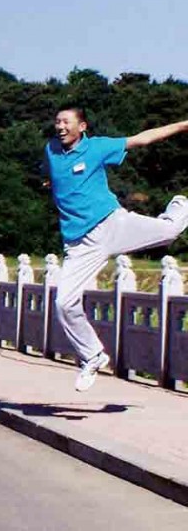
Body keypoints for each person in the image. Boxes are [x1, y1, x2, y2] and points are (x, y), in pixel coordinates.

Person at [43, 106, 188, 390]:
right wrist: (51, 181)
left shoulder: (97, 147)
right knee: (63, 303)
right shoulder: (51, 150)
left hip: (111, 224)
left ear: (82, 126)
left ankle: (180, 203)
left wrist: (183, 125)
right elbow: (53, 172)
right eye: (57, 122)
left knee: (171, 231)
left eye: (66, 122)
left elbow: (142, 139)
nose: (60, 127)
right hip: (79, 243)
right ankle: (92, 355)